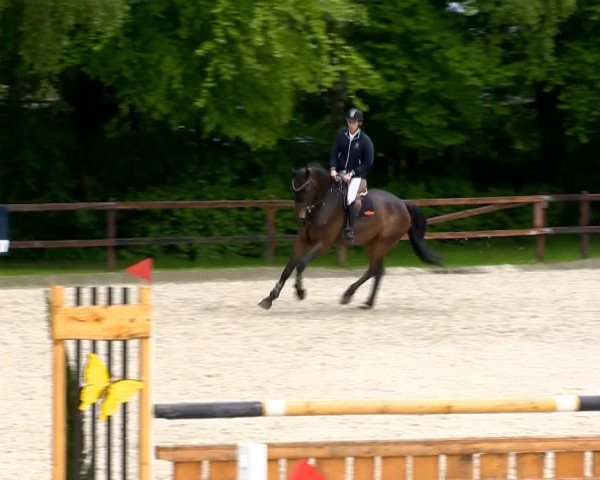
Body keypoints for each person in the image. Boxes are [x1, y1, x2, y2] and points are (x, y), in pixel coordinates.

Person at [329, 107, 374, 241]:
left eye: (354, 122)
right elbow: (334, 152)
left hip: (356, 175)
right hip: (340, 172)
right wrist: (332, 168)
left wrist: (352, 173)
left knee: (349, 197)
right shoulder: (341, 135)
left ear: (359, 123)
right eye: (349, 121)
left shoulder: (365, 141)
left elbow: (367, 164)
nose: (351, 124)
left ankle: (350, 228)